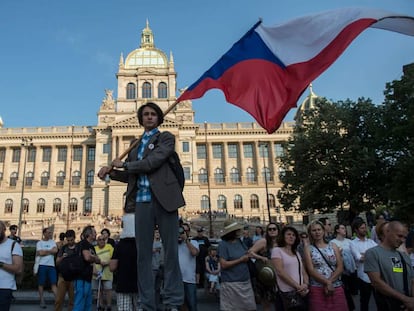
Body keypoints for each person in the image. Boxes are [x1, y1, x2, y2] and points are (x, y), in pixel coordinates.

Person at [98, 102, 185, 311]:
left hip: (164, 200)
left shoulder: (166, 138)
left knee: (171, 252)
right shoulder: (135, 146)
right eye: (145, 114)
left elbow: (152, 162)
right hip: (142, 202)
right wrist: (110, 173)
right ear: (140, 118)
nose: (149, 117)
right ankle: (147, 304)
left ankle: (173, 302)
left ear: (159, 118)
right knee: (143, 256)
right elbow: (131, 175)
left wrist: (125, 164)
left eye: (153, 114)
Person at [365, 221, 414, 311]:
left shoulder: (404, 256)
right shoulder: (373, 253)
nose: (402, 240)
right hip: (388, 305)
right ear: (387, 232)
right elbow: (376, 282)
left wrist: (411, 301)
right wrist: (405, 299)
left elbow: (411, 280)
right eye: (399, 236)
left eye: (404, 237)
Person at [303, 220, 347, 311]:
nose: (317, 232)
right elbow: (311, 270)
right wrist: (327, 282)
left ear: (323, 231)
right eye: (314, 230)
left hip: (336, 286)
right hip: (317, 287)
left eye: (319, 229)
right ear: (310, 233)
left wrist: (329, 282)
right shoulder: (308, 249)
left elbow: (340, 267)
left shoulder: (333, 246)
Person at [217, 222, 256, 311]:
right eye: (238, 230)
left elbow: (247, 253)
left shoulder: (240, 242)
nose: (240, 231)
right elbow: (223, 264)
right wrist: (240, 260)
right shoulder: (223, 245)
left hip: (245, 281)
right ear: (232, 232)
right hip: (231, 283)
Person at [271, 226, 309, 311]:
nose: (291, 237)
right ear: (283, 236)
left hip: (301, 292)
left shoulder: (296, 253)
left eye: (293, 235)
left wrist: (305, 284)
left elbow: (303, 271)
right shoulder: (277, 251)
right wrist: (298, 286)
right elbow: (280, 272)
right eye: (288, 234)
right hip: (286, 293)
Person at [110, 213, 139, 311]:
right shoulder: (142, 244)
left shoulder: (119, 245)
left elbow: (112, 267)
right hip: (140, 285)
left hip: (123, 285)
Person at [248, 222, 279, 311]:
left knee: (280, 302)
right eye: (270, 229)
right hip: (265, 275)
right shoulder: (263, 241)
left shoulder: (281, 242)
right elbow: (250, 252)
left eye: (274, 229)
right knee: (266, 302)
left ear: (278, 230)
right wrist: (261, 257)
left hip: (279, 275)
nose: (272, 231)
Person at [349, 218, 377, 311]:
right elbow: (359, 258)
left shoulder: (371, 242)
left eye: (365, 228)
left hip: (376, 277)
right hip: (363, 277)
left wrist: (365, 255)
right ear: (356, 230)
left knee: (380, 301)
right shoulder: (352, 243)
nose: (365, 230)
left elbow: (378, 256)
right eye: (362, 228)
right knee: (364, 302)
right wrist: (370, 255)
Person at [73, 225, 101, 311]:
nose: (96, 234)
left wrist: (94, 258)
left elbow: (96, 260)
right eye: (94, 232)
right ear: (89, 234)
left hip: (88, 277)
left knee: (87, 302)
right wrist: (94, 258)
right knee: (80, 300)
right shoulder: (84, 244)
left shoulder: (91, 246)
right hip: (80, 277)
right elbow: (87, 257)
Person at [331, 224, 357, 310]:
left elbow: (355, 255)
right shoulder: (333, 243)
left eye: (345, 228)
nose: (344, 230)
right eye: (342, 228)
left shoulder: (349, 242)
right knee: (344, 291)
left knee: (353, 291)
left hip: (352, 270)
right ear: (337, 230)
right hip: (341, 271)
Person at [0, 220, 23, 311]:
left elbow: (18, 269)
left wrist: (0, 264)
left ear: (4, 230)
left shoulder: (13, 245)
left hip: (4, 288)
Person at [178, 226, 199, 311]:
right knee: (179, 305)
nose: (183, 233)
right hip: (177, 279)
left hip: (189, 279)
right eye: (181, 231)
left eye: (185, 231)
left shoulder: (194, 242)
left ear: (189, 232)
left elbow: (194, 253)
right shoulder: (175, 243)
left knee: (192, 305)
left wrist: (186, 240)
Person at [36, 226, 58, 309]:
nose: (50, 234)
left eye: (50, 233)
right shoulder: (39, 243)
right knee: (41, 284)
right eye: (48, 232)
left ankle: (57, 300)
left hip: (51, 266)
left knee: (53, 283)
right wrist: (50, 251)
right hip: (42, 265)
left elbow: (55, 251)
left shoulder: (52, 242)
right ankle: (42, 300)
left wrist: (46, 251)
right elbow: (40, 253)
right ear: (44, 233)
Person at [55, 229, 77, 311]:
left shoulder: (78, 248)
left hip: (74, 278)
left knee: (73, 300)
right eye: (68, 240)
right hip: (62, 277)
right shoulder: (63, 248)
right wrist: (62, 257)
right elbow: (57, 262)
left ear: (74, 238)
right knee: (58, 300)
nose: (70, 242)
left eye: (71, 240)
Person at [93, 234, 114, 311]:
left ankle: (108, 306)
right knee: (99, 290)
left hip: (107, 272)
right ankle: (101, 306)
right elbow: (92, 260)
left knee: (108, 289)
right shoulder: (94, 248)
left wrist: (107, 263)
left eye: (103, 239)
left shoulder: (109, 247)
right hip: (97, 273)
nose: (102, 241)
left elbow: (113, 258)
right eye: (100, 240)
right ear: (97, 241)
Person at [152, 228, 164, 310]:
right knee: (151, 288)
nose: (157, 234)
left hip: (161, 268)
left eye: (159, 232)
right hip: (152, 268)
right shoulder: (150, 243)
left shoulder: (163, 243)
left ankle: (157, 305)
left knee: (158, 289)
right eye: (156, 232)